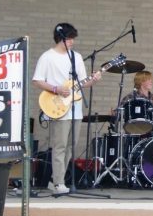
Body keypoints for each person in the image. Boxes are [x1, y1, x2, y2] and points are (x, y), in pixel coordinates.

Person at [32, 23, 102, 194]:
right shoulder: (47, 57)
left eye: (73, 39)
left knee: (71, 146)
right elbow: (37, 80)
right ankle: (58, 183)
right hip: (57, 106)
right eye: (69, 38)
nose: (72, 42)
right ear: (61, 38)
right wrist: (55, 89)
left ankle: (55, 179)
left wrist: (94, 79)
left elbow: (82, 83)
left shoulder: (76, 57)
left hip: (75, 108)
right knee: (60, 145)